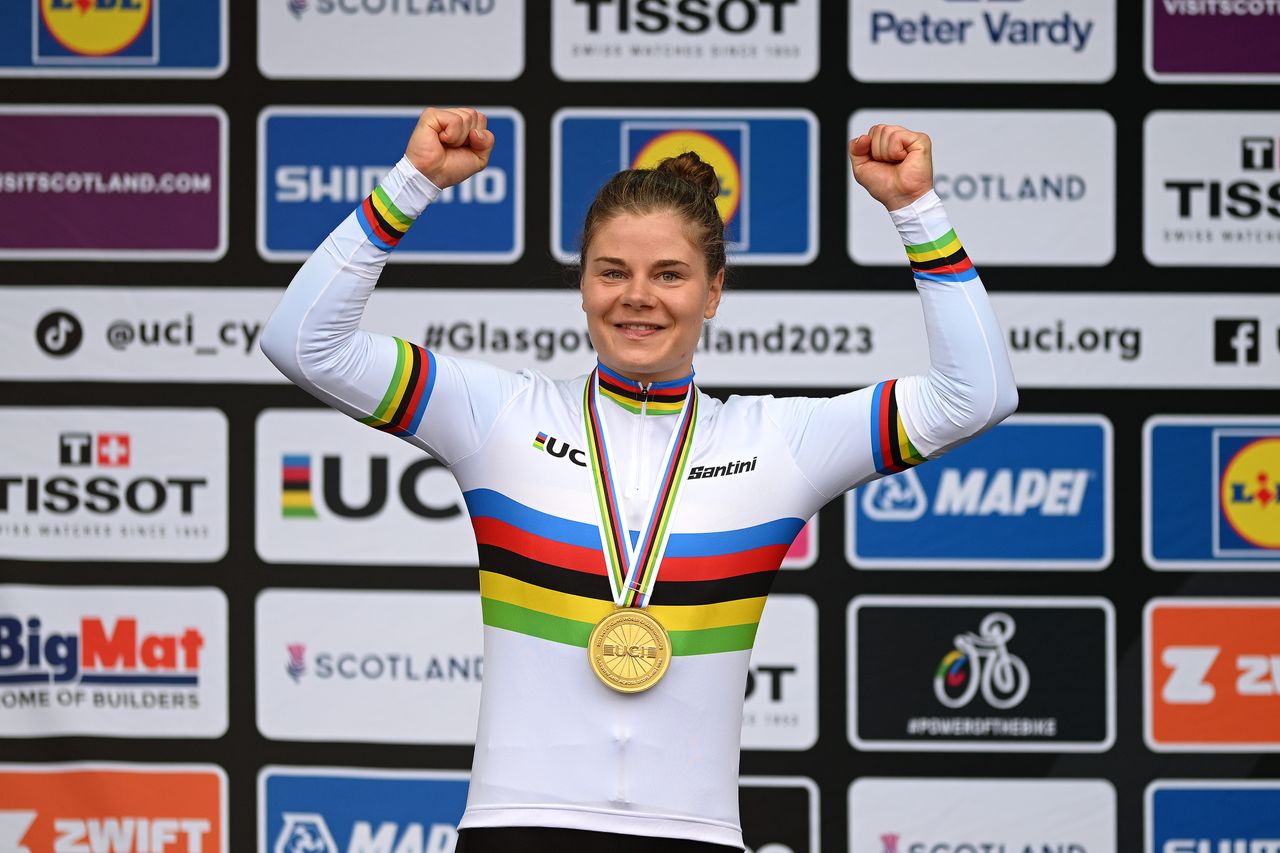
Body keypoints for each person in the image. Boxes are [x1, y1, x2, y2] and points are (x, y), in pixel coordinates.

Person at [261, 107, 1017, 853]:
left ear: (714, 292)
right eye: (612, 270)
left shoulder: (778, 441)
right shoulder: (498, 416)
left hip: (694, 833)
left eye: (670, 274)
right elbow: (303, 342)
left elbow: (976, 394)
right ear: (582, 284)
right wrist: (412, 183)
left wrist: (916, 208)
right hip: (515, 829)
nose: (637, 296)